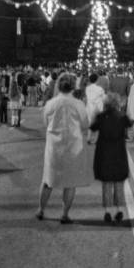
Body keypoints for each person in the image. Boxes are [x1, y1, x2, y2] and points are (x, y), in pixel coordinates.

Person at [36, 73, 91, 224]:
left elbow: (45, 122)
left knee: (48, 180)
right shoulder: (78, 104)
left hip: (54, 146)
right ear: (73, 86)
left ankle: (41, 209)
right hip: (73, 147)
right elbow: (85, 124)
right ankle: (65, 214)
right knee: (70, 182)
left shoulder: (51, 103)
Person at [90, 92, 131, 223]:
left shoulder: (101, 117)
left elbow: (93, 127)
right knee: (119, 183)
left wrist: (95, 114)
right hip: (119, 153)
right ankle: (120, 210)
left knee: (106, 183)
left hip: (104, 152)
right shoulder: (122, 117)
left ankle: (107, 211)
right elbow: (129, 124)